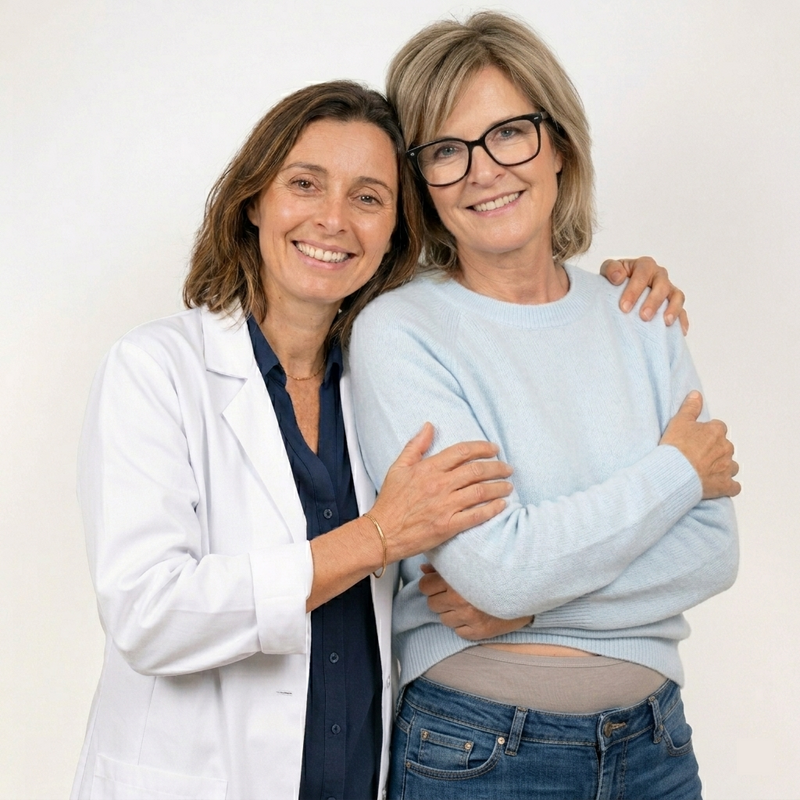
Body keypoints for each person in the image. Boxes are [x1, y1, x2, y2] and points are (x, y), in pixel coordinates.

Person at [71, 80, 690, 800]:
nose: (333, 220)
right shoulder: (155, 370)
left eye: (368, 198)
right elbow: (147, 614)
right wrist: (376, 537)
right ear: (254, 200)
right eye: (305, 184)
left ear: (398, 229)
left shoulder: (383, 373)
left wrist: (607, 290)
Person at [349, 12, 740, 800]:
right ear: (421, 181)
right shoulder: (401, 331)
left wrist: (526, 610)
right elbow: (496, 568)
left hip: (656, 748)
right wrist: (676, 472)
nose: (484, 171)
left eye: (509, 133)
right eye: (447, 150)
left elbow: (713, 550)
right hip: (478, 752)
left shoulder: (640, 312)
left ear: (558, 143)